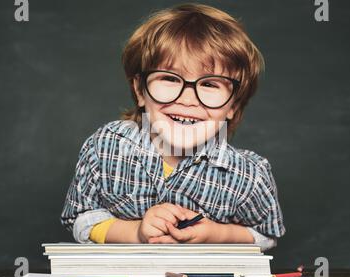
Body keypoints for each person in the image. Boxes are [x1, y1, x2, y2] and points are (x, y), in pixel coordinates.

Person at [61, 3, 285, 251]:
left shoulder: (248, 176)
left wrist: (217, 233)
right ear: (140, 90)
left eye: (210, 84)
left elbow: (266, 234)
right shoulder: (104, 148)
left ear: (233, 104)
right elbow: (81, 218)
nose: (187, 99)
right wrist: (136, 231)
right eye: (169, 78)